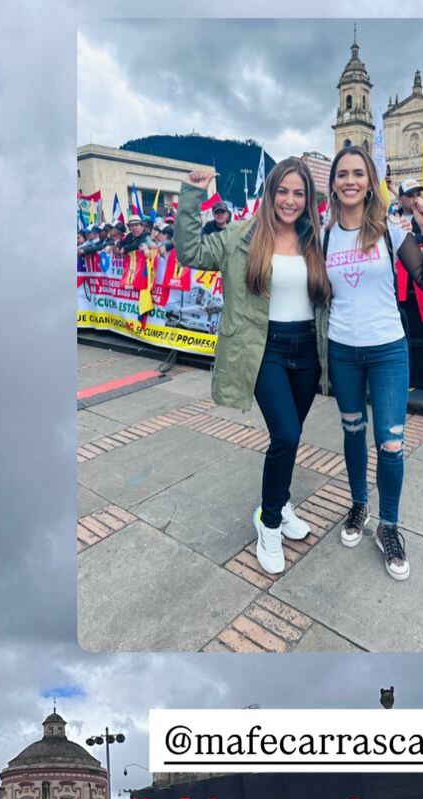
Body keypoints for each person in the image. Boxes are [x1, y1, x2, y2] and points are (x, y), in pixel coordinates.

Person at [174, 159, 330, 575]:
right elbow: (189, 251)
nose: (290, 201)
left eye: (299, 193)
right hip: (263, 349)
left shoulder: (315, 238)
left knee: (290, 440)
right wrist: (191, 196)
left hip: (307, 351)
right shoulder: (240, 236)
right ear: (270, 193)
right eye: (283, 191)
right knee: (286, 433)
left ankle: (279, 500)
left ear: (308, 200)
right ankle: (270, 524)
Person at [323, 143, 423, 580]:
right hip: (342, 349)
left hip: (388, 348)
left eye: (358, 173)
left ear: (371, 182)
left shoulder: (391, 231)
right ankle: (359, 505)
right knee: (353, 429)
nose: (350, 181)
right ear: (333, 186)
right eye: (342, 175)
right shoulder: (324, 234)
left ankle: (388, 525)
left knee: (390, 442)